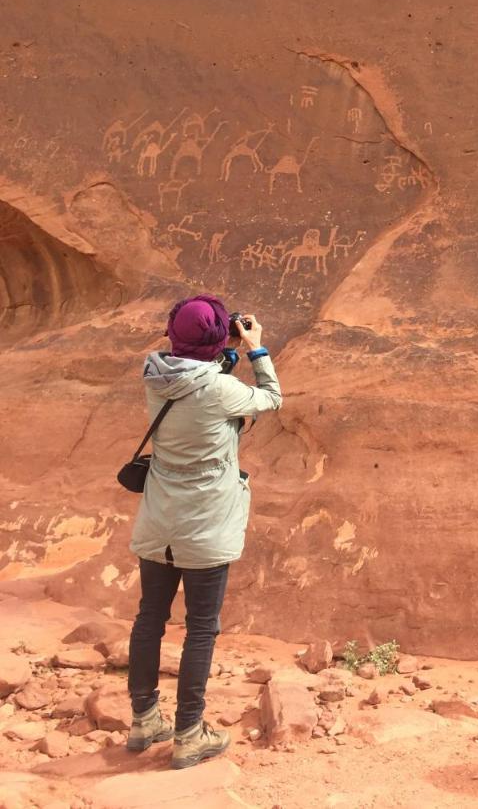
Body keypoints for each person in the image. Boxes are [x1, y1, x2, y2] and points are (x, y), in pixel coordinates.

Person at [125, 295, 282, 769]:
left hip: (158, 523)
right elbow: (271, 398)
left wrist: (220, 354)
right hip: (206, 527)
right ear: (217, 340)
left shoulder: (156, 376)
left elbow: (199, 379)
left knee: (149, 618)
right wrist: (255, 349)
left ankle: (144, 720)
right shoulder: (220, 390)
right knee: (200, 630)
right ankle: (190, 732)